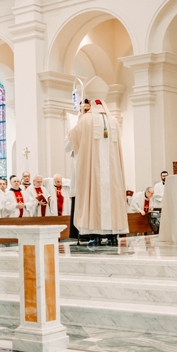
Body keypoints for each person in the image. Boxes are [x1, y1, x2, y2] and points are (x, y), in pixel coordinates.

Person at [68, 99, 129, 246]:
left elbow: (73, 138)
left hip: (93, 170)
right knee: (112, 197)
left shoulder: (86, 119)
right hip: (112, 172)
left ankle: (94, 235)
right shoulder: (113, 120)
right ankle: (113, 236)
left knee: (93, 197)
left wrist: (79, 117)